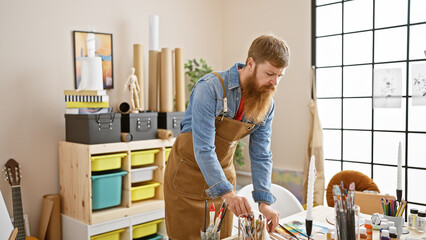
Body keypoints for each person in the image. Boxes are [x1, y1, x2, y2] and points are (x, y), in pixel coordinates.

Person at [164, 34, 290, 240]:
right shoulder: (210, 88)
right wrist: (228, 193)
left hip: (224, 182)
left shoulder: (267, 105)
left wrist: (264, 203)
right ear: (251, 63)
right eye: (269, 73)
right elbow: (203, 148)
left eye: (280, 76)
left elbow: (261, 154)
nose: (274, 82)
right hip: (186, 181)